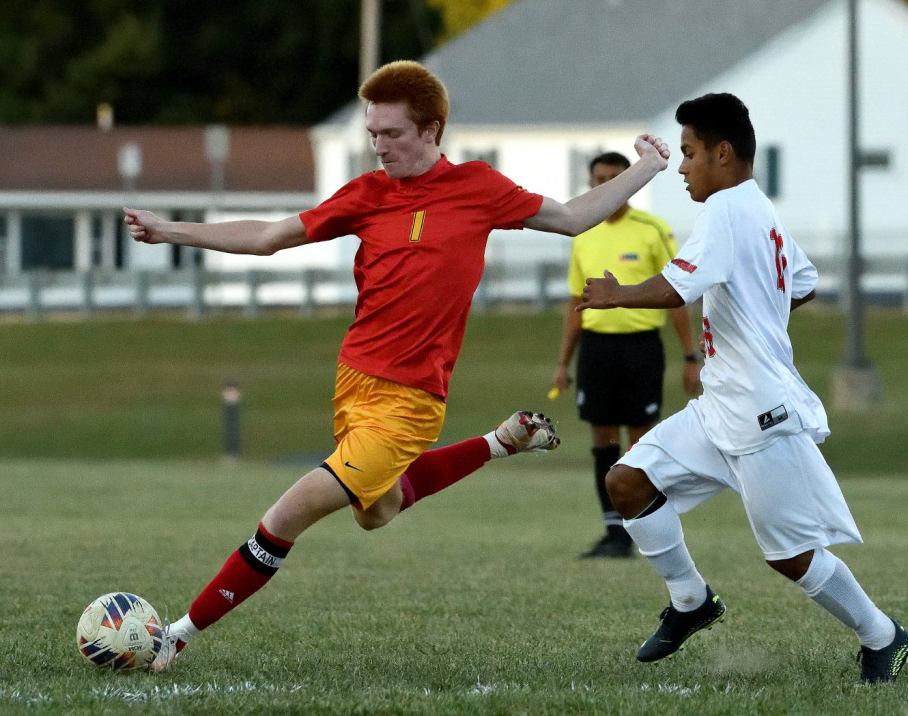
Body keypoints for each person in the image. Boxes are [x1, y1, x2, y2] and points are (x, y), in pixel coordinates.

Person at [122, 60, 672, 672]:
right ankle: (500, 442)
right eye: (372, 134)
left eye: (392, 134)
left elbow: (571, 218)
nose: (379, 147)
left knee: (287, 514)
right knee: (376, 512)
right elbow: (269, 236)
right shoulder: (367, 194)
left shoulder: (478, 187)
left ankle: (175, 635)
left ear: (432, 129)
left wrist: (646, 167)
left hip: (409, 400)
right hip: (352, 383)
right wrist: (169, 231)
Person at [577, 93, 908, 683]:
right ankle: (691, 602)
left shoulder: (727, 209)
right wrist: (758, 309)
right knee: (626, 482)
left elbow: (675, 288)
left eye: (689, 153)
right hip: (720, 405)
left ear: (723, 153)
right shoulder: (759, 207)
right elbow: (803, 284)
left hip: (760, 411)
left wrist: (616, 294)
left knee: (790, 555)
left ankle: (883, 635)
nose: (683, 167)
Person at [552, 151, 700, 559]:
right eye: (600, 179)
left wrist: (690, 357)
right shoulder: (582, 232)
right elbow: (575, 302)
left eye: (616, 178)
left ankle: (645, 530)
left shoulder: (652, 230)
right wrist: (563, 362)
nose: (608, 186)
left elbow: (677, 296)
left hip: (640, 348)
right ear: (590, 182)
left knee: (641, 442)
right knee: (602, 438)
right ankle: (613, 531)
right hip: (597, 349)